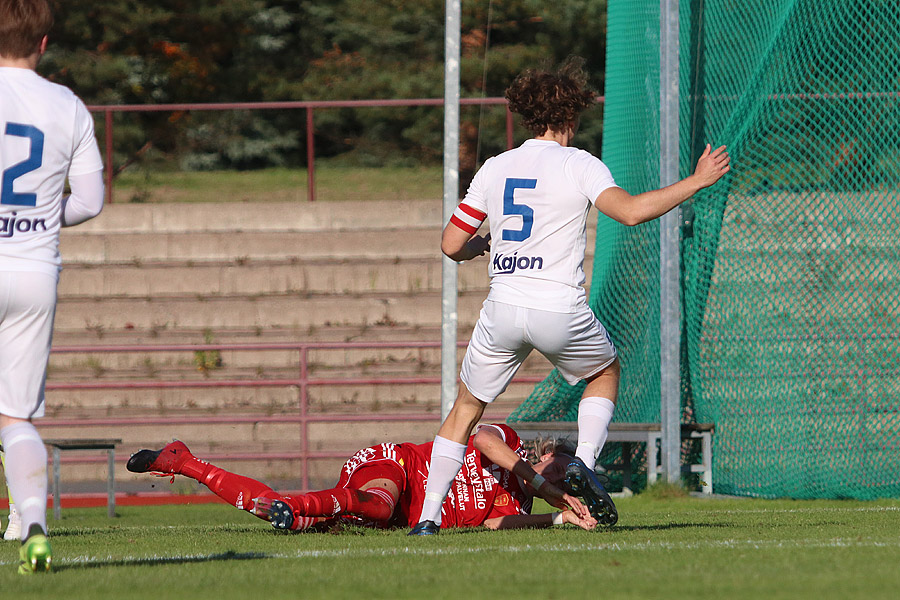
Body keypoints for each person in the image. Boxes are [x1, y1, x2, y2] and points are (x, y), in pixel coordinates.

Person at [410, 57, 730, 535]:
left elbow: (451, 244)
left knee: (465, 410)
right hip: (557, 307)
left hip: (502, 308)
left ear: (527, 115)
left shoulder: (496, 166)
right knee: (604, 372)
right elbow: (632, 213)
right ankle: (582, 462)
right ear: (572, 117)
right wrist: (697, 180)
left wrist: (482, 245)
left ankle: (427, 520)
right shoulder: (579, 164)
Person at [0, 0, 106, 573]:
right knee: (16, 418)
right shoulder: (66, 104)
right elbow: (89, 201)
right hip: (35, 271)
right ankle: (30, 520)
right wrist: (40, 215)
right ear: (43, 44)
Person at [127, 423, 598, 532]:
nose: (559, 477)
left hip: (391, 512)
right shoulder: (509, 443)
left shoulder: (520, 506)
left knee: (284, 513)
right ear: (544, 456)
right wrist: (551, 492)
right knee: (377, 503)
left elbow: (494, 526)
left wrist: (558, 520)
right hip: (395, 466)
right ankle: (300, 509)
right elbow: (480, 439)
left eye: (566, 478)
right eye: (559, 466)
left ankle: (185, 463)